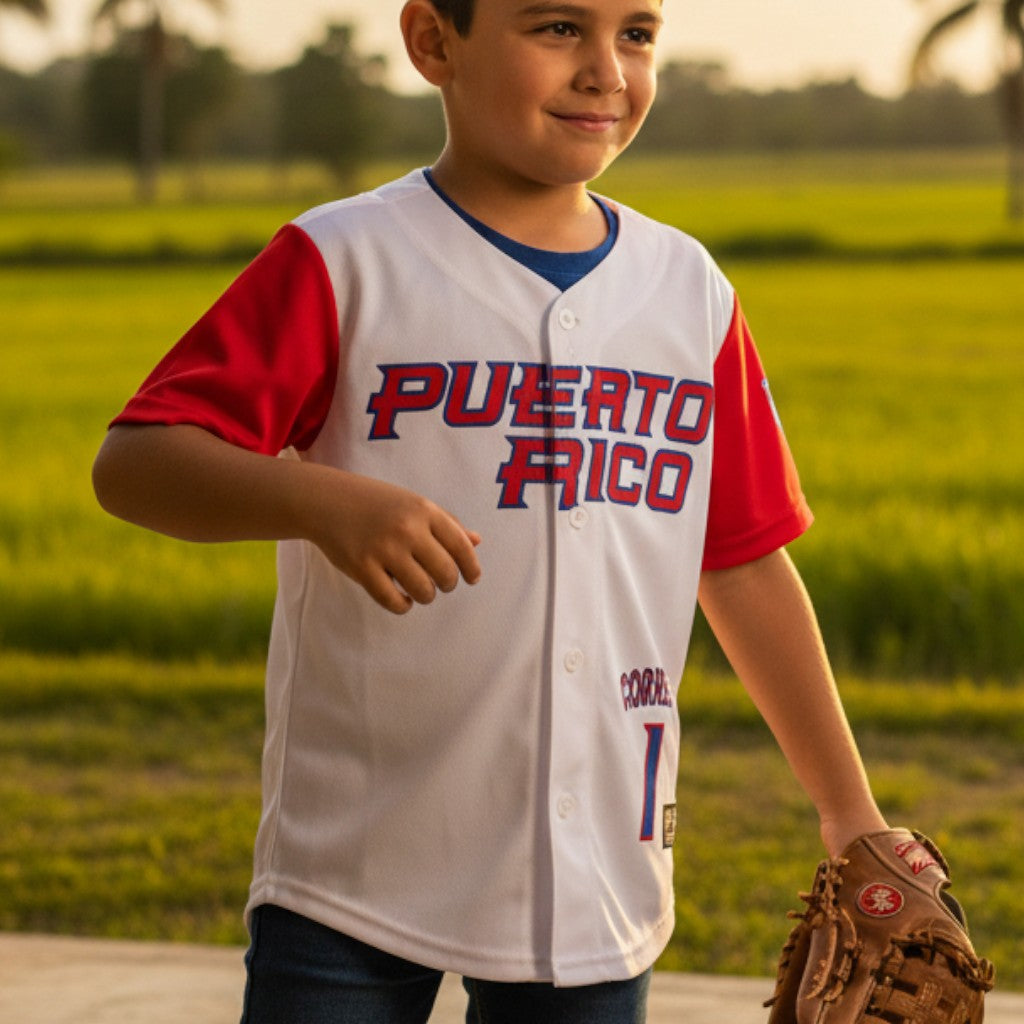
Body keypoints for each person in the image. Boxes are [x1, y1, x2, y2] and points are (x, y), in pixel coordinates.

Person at [92, 0, 888, 1019]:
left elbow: (740, 558)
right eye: (558, 27)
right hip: (358, 859)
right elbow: (138, 461)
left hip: (597, 857)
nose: (606, 70)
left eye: (636, 34)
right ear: (434, 41)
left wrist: (847, 810)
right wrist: (316, 498)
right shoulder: (345, 258)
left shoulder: (687, 291)